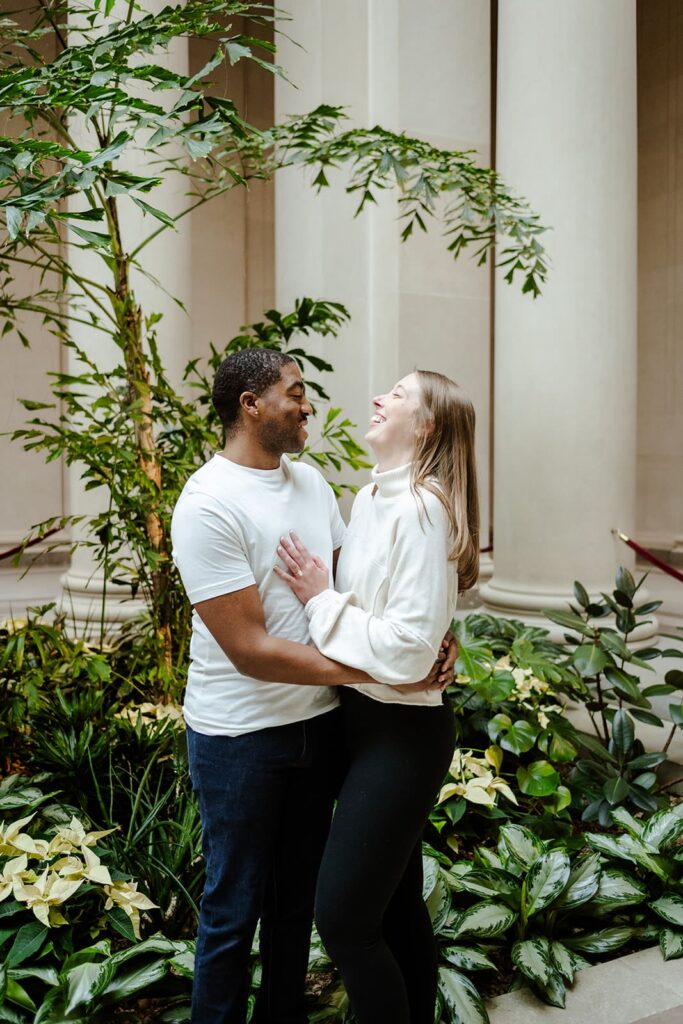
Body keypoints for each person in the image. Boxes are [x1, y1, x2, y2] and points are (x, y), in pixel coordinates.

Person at [170, 349, 456, 1024]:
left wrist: (432, 638)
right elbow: (251, 651)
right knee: (232, 911)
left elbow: (354, 601)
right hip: (239, 736)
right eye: (294, 393)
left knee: (297, 905)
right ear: (250, 405)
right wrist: (389, 667)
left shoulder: (315, 487)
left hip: (323, 726)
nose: (308, 405)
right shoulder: (207, 504)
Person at [273, 369, 479, 1024]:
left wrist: (319, 597)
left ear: (425, 426)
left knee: (344, 920)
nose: (377, 399)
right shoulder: (368, 499)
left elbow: (402, 651)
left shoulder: (422, 506)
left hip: (401, 736)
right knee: (392, 909)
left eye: (397, 395)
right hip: (360, 720)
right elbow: (400, 631)